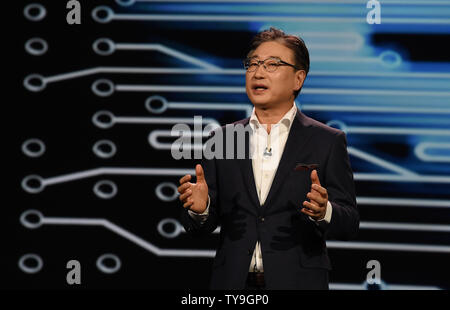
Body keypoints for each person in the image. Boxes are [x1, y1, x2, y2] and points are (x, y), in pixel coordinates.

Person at [177, 27, 359, 290]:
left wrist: (324, 211)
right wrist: (201, 209)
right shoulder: (223, 139)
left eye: (272, 64)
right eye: (252, 64)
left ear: (298, 79)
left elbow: (350, 221)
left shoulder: (327, 141)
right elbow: (202, 226)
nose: (258, 72)